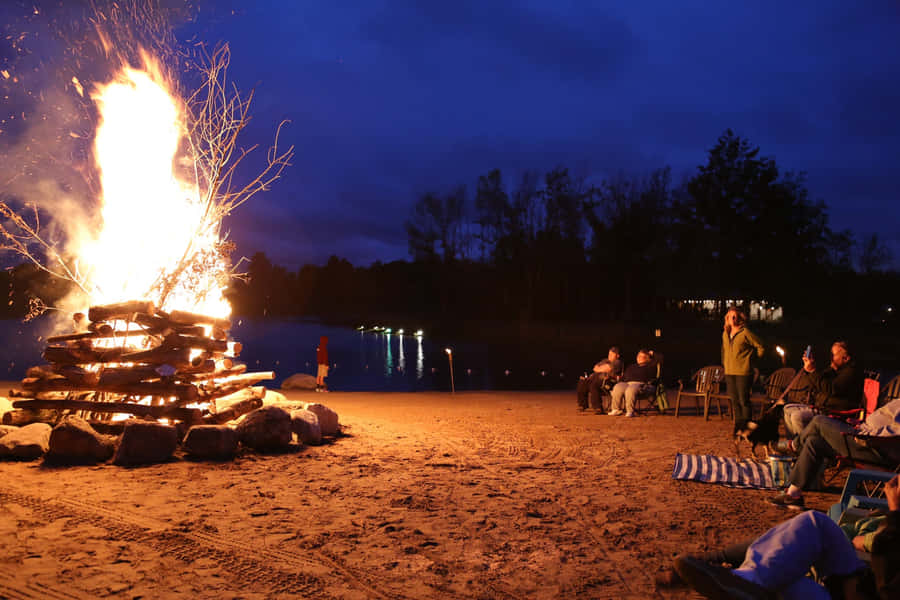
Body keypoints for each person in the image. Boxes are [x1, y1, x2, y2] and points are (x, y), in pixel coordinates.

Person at [666, 474, 900, 599]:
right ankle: (740, 579)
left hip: (865, 586)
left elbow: (890, 586)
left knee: (781, 581)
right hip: (855, 579)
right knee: (811, 528)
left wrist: (895, 514)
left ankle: (735, 577)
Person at [769, 396, 900, 509]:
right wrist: (862, 425)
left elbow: (894, 434)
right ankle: (793, 495)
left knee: (818, 421)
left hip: (870, 446)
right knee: (815, 442)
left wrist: (869, 435)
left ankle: (794, 445)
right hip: (863, 435)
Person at [782, 341, 864, 437]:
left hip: (833, 411)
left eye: (833, 355)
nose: (831, 358)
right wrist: (810, 369)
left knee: (797, 417)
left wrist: (812, 371)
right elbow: (818, 382)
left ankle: (803, 446)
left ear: (845, 358)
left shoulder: (851, 372)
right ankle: (794, 443)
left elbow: (831, 389)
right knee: (787, 409)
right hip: (821, 406)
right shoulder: (836, 369)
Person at [722, 307, 765, 422]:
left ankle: (747, 426)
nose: (733, 319)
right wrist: (724, 363)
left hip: (743, 372)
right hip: (729, 372)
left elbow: (760, 346)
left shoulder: (745, 332)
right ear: (727, 318)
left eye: (735, 316)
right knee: (734, 401)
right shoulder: (725, 334)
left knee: (743, 400)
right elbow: (724, 350)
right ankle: (739, 427)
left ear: (740, 318)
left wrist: (753, 360)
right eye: (730, 316)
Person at [607, 349, 657, 418]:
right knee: (618, 386)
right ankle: (616, 409)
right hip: (628, 383)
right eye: (638, 356)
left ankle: (630, 411)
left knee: (631, 389)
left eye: (642, 356)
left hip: (643, 385)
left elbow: (659, 360)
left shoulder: (651, 366)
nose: (639, 358)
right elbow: (624, 378)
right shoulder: (632, 366)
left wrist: (653, 354)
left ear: (647, 358)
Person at [576, 347, 624, 412]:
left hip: (609, 382)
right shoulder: (605, 361)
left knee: (594, 383)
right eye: (609, 353)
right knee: (582, 381)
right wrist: (603, 368)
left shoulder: (617, 362)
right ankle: (582, 405)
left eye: (612, 354)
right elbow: (595, 368)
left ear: (617, 355)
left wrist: (602, 368)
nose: (609, 355)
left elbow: (608, 369)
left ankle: (598, 407)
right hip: (597, 379)